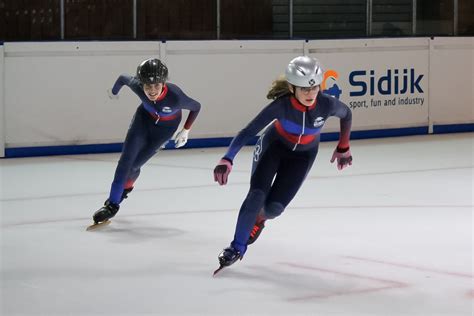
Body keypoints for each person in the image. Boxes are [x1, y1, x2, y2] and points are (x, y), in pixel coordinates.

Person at [213, 56, 352, 270]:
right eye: (304, 89)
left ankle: (259, 220)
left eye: (314, 88)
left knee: (274, 209)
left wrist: (344, 146)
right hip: (274, 147)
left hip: (303, 156)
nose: (310, 93)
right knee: (257, 195)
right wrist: (228, 158)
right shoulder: (281, 106)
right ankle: (237, 247)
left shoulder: (327, 104)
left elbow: (347, 114)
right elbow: (248, 131)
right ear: (291, 87)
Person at [92, 58, 201, 225]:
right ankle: (112, 205)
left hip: (164, 130)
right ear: (141, 83)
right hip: (142, 121)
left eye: (157, 85)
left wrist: (186, 129)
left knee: (135, 166)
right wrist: (114, 92)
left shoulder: (176, 97)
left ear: (164, 83)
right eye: (147, 86)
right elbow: (122, 78)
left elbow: (196, 107)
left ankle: (125, 189)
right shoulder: (137, 86)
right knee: (125, 163)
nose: (152, 90)